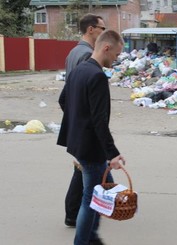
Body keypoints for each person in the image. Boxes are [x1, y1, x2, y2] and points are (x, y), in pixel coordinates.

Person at [57, 30, 126, 245]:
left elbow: (63, 100)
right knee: (91, 199)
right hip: (91, 147)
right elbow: (99, 121)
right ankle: (84, 241)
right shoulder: (96, 75)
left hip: (78, 143)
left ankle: (92, 238)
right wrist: (112, 153)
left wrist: (77, 124)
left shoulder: (79, 70)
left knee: (103, 190)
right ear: (106, 48)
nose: (115, 60)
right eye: (116, 55)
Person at [63, 13, 106, 227]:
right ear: (91, 29)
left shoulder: (73, 52)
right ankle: (76, 214)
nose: (103, 33)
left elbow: (66, 95)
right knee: (88, 169)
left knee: (85, 167)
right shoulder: (87, 56)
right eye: (101, 28)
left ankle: (79, 212)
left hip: (77, 120)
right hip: (85, 123)